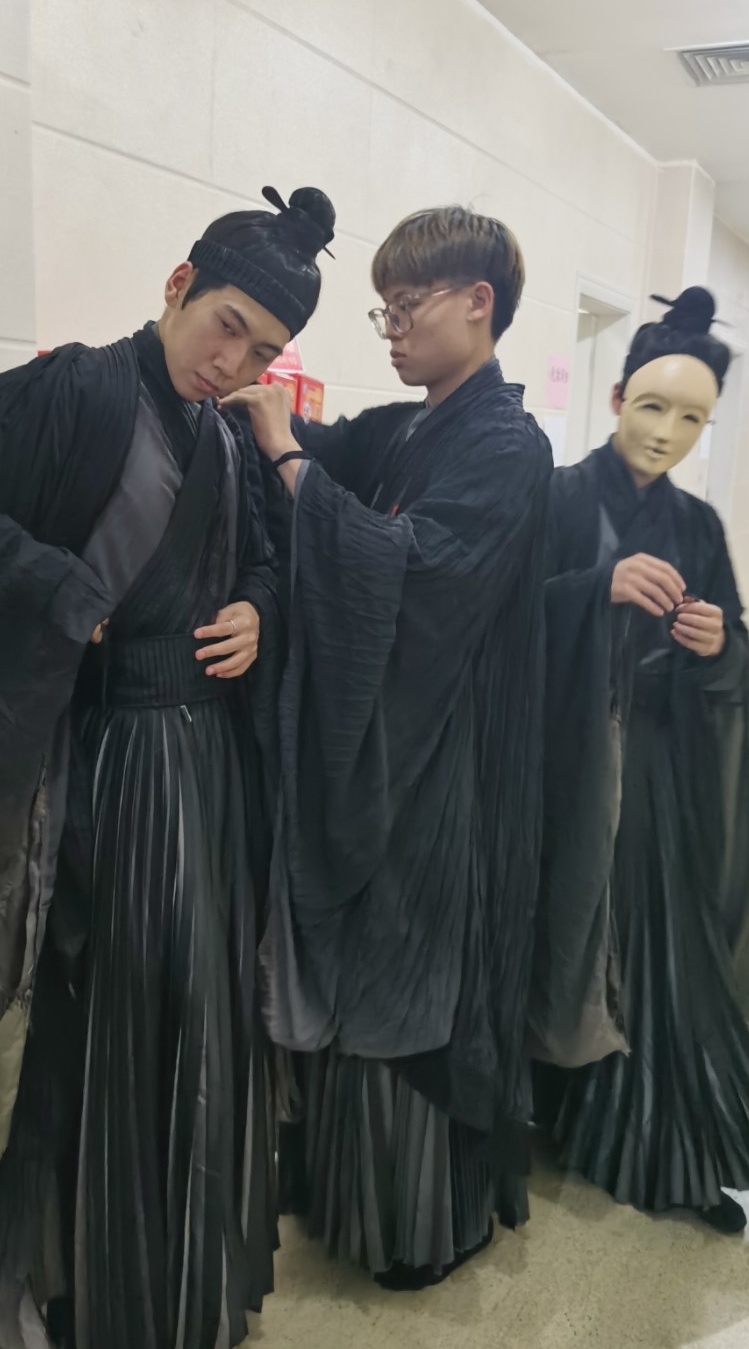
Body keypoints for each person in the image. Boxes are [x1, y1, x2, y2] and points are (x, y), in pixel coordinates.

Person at [0, 185, 337, 1349]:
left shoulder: (226, 434)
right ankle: (90, 1312)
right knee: (108, 1031)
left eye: (264, 350)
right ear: (178, 285)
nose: (235, 362)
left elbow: (265, 555)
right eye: (227, 325)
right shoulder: (79, 389)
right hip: (111, 772)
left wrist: (259, 608)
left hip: (208, 772)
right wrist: (61, 591)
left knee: (198, 1023)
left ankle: (179, 1297)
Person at [226, 206, 552, 1288]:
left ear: (479, 304)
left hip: (447, 757)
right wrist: (256, 407)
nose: (392, 330)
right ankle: (347, 1195)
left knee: (413, 965)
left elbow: (414, 566)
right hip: (395, 741)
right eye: (385, 311)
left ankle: (419, 1223)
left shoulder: (509, 445)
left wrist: (286, 456)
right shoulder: (407, 427)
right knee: (368, 954)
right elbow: (329, 457)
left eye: (406, 307)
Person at [531, 287, 749, 1234]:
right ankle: (546, 1099)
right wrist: (595, 587)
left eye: (693, 419)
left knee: (653, 947)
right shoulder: (557, 499)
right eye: (653, 406)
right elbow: (496, 618)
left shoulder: (698, 526)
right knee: (558, 930)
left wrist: (715, 648)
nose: (667, 433)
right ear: (615, 398)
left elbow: (733, 649)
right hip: (560, 762)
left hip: (652, 772)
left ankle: (655, 1138)